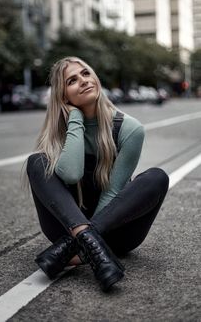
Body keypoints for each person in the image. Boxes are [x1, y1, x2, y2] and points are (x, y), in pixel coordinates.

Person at [26, 56, 169, 292]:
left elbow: (113, 191)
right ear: (64, 96)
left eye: (85, 73)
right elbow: (71, 175)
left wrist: (83, 239)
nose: (82, 81)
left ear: (94, 77)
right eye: (72, 80)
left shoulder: (129, 128)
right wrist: (75, 119)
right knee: (36, 162)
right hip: (64, 226)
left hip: (117, 232)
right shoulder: (61, 130)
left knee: (157, 177)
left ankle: (77, 249)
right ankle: (87, 246)